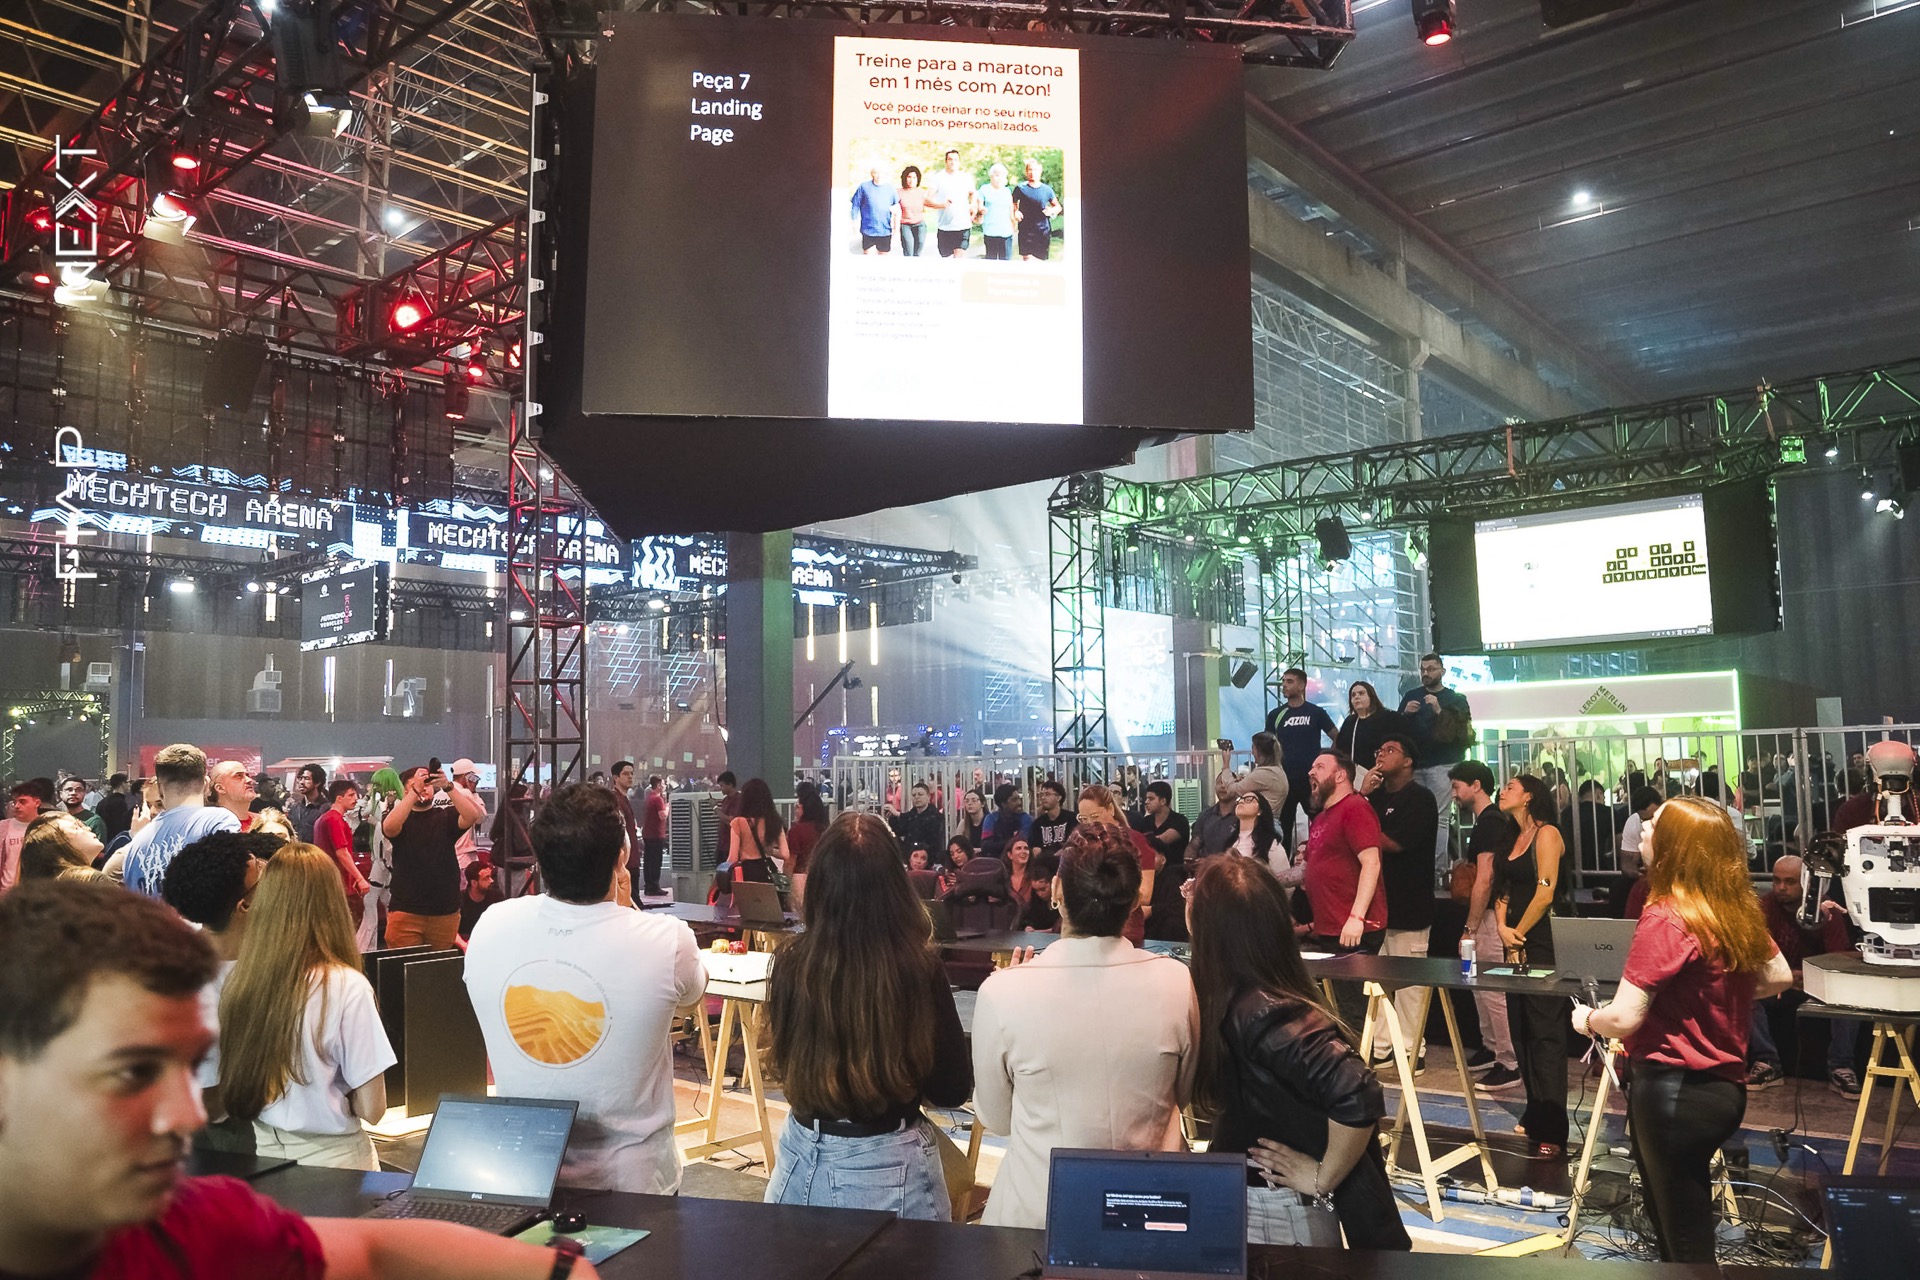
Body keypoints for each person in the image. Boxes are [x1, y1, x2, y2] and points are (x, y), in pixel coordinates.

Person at [0, 880, 600, 1280]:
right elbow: (372, 1115)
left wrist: (559, 1268)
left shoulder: (198, 1225)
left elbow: (375, 1250)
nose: (186, 1115)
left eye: (187, 1067)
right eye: (132, 1073)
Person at [1573, 797, 1792, 1263]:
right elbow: (1778, 976)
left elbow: (1624, 1018)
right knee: (1681, 1231)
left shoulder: (1668, 915)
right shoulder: (1731, 908)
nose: (1643, 830)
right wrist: (1710, 996)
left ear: (1676, 844)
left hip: (1674, 1092)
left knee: (1683, 1243)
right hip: (1721, 1091)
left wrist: (1587, 1019)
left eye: (1654, 824)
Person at [465, 782, 705, 1194]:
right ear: (621, 857)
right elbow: (693, 995)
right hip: (636, 1183)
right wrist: (625, 905)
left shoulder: (492, 925)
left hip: (523, 1175)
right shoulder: (666, 940)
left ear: (539, 856)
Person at [970, 821, 1199, 1228]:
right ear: (1134, 899)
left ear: (1057, 890)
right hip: (1152, 1211)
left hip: (1039, 1213)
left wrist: (1015, 983)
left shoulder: (1002, 992)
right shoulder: (1176, 981)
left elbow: (996, 1119)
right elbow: (1184, 1093)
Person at [1186, 856, 1411, 1249]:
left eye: (1193, 896)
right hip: (1264, 1202)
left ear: (1215, 927)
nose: (1186, 903)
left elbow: (1357, 1090)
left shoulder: (1262, 1011)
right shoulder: (1250, 996)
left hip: (1276, 1213)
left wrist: (1323, 1176)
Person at [762, 813, 970, 1217]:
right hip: (887, 1165)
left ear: (820, 883)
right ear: (895, 886)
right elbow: (951, 1088)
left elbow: (786, 1064)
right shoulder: (917, 968)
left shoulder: (789, 963)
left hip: (798, 1155)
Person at [219, 843, 396, 1169]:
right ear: (331, 904)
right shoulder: (347, 987)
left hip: (265, 1156)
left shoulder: (241, 981)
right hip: (336, 1162)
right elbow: (373, 1109)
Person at [161, 831, 266, 1145]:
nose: (272, 877)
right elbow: (206, 1096)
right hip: (231, 1136)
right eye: (261, 872)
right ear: (244, 905)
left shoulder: (262, 951)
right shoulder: (193, 983)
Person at [1492, 774, 1570, 1153]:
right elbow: (1503, 891)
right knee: (1521, 1030)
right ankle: (1535, 1109)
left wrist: (1517, 933)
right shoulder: (1511, 837)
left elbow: (1545, 892)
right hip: (1513, 944)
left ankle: (1553, 1127)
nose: (1503, 791)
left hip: (1540, 944)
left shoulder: (1547, 834)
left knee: (1545, 1034)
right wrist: (1501, 930)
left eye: (1510, 787)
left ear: (1529, 797)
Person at [1745, 855, 1863, 1096]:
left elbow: (1839, 958)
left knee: (1849, 997)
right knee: (1744, 993)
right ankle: (1767, 1063)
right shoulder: (1763, 907)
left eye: (1789, 882)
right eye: (1776, 880)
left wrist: (1809, 975)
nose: (1781, 887)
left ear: (1806, 882)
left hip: (1818, 984)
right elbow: (1753, 953)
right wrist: (1782, 976)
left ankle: (1841, 1067)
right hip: (1779, 983)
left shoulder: (1825, 909)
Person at [1359, 733, 1438, 1069]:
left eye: (1390, 750)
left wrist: (1361, 829)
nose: (1381, 754)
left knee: (1409, 984)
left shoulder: (1421, 798)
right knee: (1375, 983)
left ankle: (1410, 1050)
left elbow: (1395, 843)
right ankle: (1379, 1048)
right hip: (1376, 905)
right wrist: (1362, 795)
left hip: (1409, 904)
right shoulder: (1373, 798)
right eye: (1379, 749)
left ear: (1408, 761)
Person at [1300, 751, 1388, 1031]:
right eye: (1312, 766)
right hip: (1330, 926)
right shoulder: (1322, 818)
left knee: (1352, 1011)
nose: (1311, 772)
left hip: (1353, 928)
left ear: (1340, 775)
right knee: (1336, 1007)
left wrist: (1356, 917)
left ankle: (1357, 1059)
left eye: (1320, 766)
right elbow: (1313, 868)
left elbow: (1371, 862)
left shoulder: (1355, 808)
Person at [1448, 760, 1521, 1088]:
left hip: (1490, 916)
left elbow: (1485, 878)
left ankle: (1509, 1061)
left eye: (1457, 787)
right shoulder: (1489, 821)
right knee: (1480, 984)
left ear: (1476, 785)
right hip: (1487, 915)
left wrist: (1471, 927)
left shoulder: (1490, 822)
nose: (1454, 794)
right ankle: (1492, 1048)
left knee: (1492, 989)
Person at [382, 763, 484, 948]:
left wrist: (448, 786)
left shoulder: (445, 816)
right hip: (406, 910)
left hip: (445, 910)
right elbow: (389, 828)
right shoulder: (401, 819)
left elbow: (471, 816)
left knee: (438, 964)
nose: (424, 788)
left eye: (428, 784)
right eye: (416, 784)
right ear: (405, 791)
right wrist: (415, 792)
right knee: (404, 963)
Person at [122, 745, 241, 899]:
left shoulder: (136, 845)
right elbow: (234, 885)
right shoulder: (219, 821)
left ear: (160, 789)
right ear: (206, 784)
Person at [1399, 654, 1475, 874]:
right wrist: (1404, 713)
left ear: (1442, 671)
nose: (1426, 673)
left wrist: (1439, 710)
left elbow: (1460, 732)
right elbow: (1398, 727)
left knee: (1439, 817)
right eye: (1423, 669)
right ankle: (1418, 868)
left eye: (1431, 669)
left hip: (1443, 764)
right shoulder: (1411, 696)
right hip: (1415, 765)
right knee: (1416, 818)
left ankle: (1437, 870)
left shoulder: (1455, 699)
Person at [1076, 784, 1159, 945]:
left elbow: (1145, 894)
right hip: (1087, 927)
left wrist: (1101, 894)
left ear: (1110, 809)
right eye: (1083, 819)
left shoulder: (1135, 840)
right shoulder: (1083, 842)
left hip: (1125, 929)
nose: (1090, 824)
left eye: (1094, 816)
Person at [1266, 669, 1336, 851]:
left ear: (1302, 685)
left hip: (1311, 780)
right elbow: (1267, 746)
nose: (1284, 685)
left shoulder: (1316, 713)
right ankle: (1284, 865)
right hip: (1285, 780)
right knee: (1283, 827)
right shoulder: (1275, 715)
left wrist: (1326, 760)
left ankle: (1322, 858)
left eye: (1290, 681)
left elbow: (1337, 736)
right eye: (1283, 681)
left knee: (1320, 822)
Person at [313, 779, 371, 927]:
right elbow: (342, 852)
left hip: (328, 881)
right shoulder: (334, 819)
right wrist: (360, 878)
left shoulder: (324, 819)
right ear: (339, 798)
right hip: (338, 882)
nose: (355, 799)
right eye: (351, 795)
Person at [1335, 681, 1407, 774]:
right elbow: (1340, 748)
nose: (1357, 697)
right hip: (1355, 774)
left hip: (1384, 773)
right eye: (1353, 695)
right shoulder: (1350, 722)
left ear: (1371, 697)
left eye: (1361, 693)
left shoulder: (1390, 718)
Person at [727, 777, 788, 885]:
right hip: (769, 871)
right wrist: (769, 851)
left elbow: (733, 858)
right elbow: (785, 854)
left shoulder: (738, 822)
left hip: (748, 872)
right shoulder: (774, 821)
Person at [1614, 784, 1663, 916]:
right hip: (1647, 874)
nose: (1649, 824)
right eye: (1645, 820)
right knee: (1620, 888)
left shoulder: (1673, 822)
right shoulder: (1633, 823)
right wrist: (1640, 875)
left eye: (1653, 818)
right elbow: (1626, 865)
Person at [19, 809, 105, 882]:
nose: (88, 828)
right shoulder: (93, 880)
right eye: (77, 827)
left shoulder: (40, 887)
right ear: (61, 844)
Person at [0, 778, 51, 891]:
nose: (17, 806)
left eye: (22, 802)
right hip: (6, 894)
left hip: (35, 893)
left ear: (37, 803)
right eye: (15, 802)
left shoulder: (48, 827)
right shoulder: (3, 827)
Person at [925, 148, 977, 258]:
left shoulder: (965, 178)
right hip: (945, 227)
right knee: (946, 258)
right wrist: (941, 205)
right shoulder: (938, 178)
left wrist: (972, 206)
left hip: (963, 225)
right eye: (950, 159)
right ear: (945, 161)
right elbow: (927, 201)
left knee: (958, 257)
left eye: (956, 160)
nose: (953, 162)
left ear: (959, 162)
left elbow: (973, 193)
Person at [787, 780, 831, 903]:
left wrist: (786, 882)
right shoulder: (826, 829)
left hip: (800, 880)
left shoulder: (796, 831)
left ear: (805, 809)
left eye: (797, 807)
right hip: (822, 879)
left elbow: (790, 863)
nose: (795, 811)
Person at [1011, 157, 1061, 261]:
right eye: (1030, 170)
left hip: (1042, 231)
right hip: (1026, 230)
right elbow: (1012, 203)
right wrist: (1016, 211)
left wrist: (1051, 211)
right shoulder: (1020, 188)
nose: (1032, 172)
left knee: (1041, 261)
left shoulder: (1047, 190)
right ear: (1026, 171)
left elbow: (1058, 207)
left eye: (1035, 170)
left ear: (1040, 171)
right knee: (1028, 260)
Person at [1188, 771, 1241, 861]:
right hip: (1205, 866)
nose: (1223, 786)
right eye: (1219, 783)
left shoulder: (1242, 815)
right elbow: (1195, 843)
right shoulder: (1205, 815)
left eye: (1227, 783)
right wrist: (1188, 861)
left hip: (1232, 866)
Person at [889, 780, 946, 861]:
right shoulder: (911, 814)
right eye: (914, 795)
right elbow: (900, 831)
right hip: (909, 858)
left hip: (928, 859)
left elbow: (931, 839)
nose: (917, 797)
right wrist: (892, 817)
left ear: (928, 797)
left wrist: (898, 814)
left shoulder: (936, 816)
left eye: (920, 794)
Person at [850, 163, 897, 253]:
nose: (879, 175)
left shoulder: (890, 188)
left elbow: (897, 208)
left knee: (883, 257)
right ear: (871, 174)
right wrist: (854, 222)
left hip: (885, 230)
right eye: (875, 172)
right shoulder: (864, 187)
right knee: (868, 256)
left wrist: (896, 229)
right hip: (868, 230)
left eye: (881, 172)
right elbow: (855, 205)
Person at [975, 162, 1016, 260]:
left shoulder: (1007, 191)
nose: (999, 178)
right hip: (990, 232)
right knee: (991, 260)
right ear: (991, 176)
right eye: (997, 175)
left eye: (1002, 176)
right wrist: (981, 210)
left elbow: (1011, 210)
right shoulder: (984, 189)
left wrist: (1014, 225)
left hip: (1006, 232)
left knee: (1006, 261)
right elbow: (979, 205)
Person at [1029, 779, 1076, 858]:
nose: (1043, 797)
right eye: (1041, 795)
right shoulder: (1038, 823)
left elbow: (1073, 845)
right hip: (1044, 862)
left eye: (1047, 794)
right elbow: (1036, 848)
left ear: (1058, 797)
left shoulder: (1071, 819)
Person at [456, 861, 503, 943]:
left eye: (490, 876)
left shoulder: (497, 897)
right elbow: (451, 931)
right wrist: (464, 945)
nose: (491, 880)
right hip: (465, 941)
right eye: (486, 878)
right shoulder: (459, 900)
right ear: (474, 883)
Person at [208, 759, 259, 832]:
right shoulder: (210, 825)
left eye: (247, 775)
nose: (249, 780)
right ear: (220, 788)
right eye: (238, 776)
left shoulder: (265, 822)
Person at [640, 773, 669, 895]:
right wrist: (668, 806)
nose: (664, 786)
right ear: (658, 785)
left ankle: (649, 885)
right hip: (656, 834)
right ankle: (654, 886)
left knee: (648, 861)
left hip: (648, 833)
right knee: (656, 861)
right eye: (663, 784)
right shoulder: (657, 799)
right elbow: (662, 816)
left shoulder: (649, 797)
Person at [286, 764, 328, 843]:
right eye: (300, 778)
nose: (301, 782)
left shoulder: (326, 809)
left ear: (317, 782)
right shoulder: (295, 808)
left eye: (306, 778)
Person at [59, 776, 108, 841]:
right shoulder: (56, 819)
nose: (73, 793)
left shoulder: (94, 821)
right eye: (69, 790)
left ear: (84, 794)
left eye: (79, 790)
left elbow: (100, 846)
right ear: (61, 794)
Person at [896, 163, 928, 256]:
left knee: (918, 249)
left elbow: (930, 203)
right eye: (909, 177)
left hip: (920, 224)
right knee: (909, 249)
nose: (911, 180)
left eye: (914, 177)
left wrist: (944, 205)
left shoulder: (921, 192)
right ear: (905, 178)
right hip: (905, 225)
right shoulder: (898, 192)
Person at [94, 771, 135, 838]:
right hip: (117, 839)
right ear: (122, 784)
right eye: (127, 782)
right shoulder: (120, 802)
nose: (129, 785)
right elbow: (120, 824)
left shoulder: (102, 802)